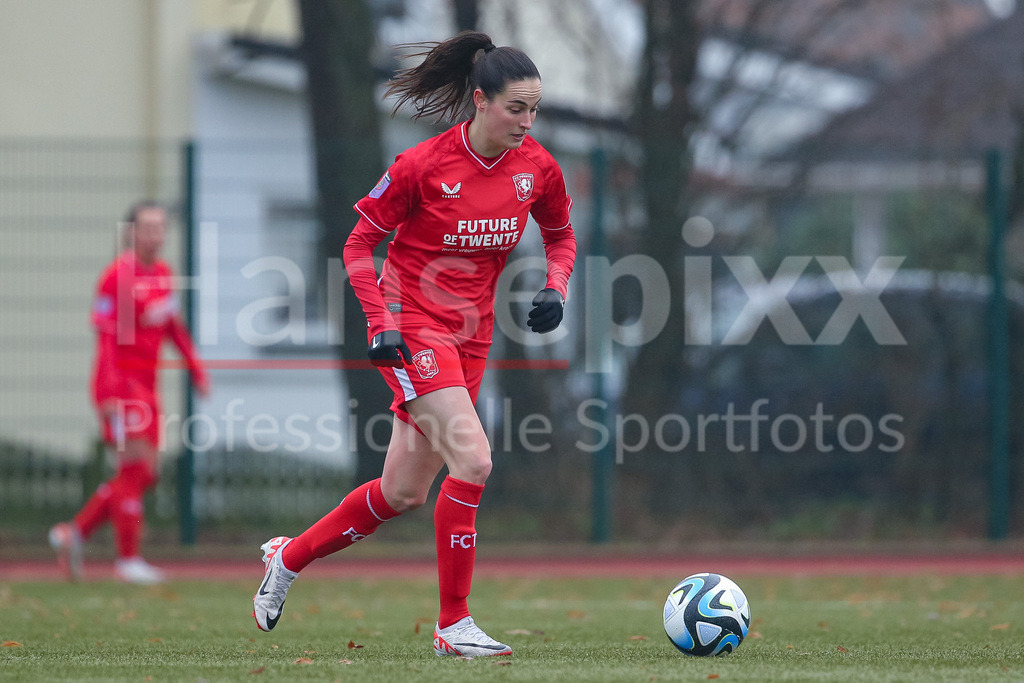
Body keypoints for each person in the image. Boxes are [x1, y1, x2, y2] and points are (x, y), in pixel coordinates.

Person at [252, 31, 576, 657]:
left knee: (401, 492)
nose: (527, 121)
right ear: (480, 101)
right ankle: (452, 626)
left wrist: (556, 288)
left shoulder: (537, 167)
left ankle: (285, 558)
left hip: (472, 337)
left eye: (535, 108)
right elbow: (355, 245)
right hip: (414, 324)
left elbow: (561, 236)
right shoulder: (423, 165)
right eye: (517, 107)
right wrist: (380, 323)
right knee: (475, 461)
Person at [48, 201, 210, 585]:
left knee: (145, 471)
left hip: (148, 385)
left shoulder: (163, 274)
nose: (156, 234)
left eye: (160, 227)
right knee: (132, 467)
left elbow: (172, 326)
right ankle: (127, 559)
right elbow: (105, 340)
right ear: (131, 232)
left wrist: (196, 367)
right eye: (148, 227)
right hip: (121, 384)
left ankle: (74, 533)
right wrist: (107, 393)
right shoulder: (115, 277)